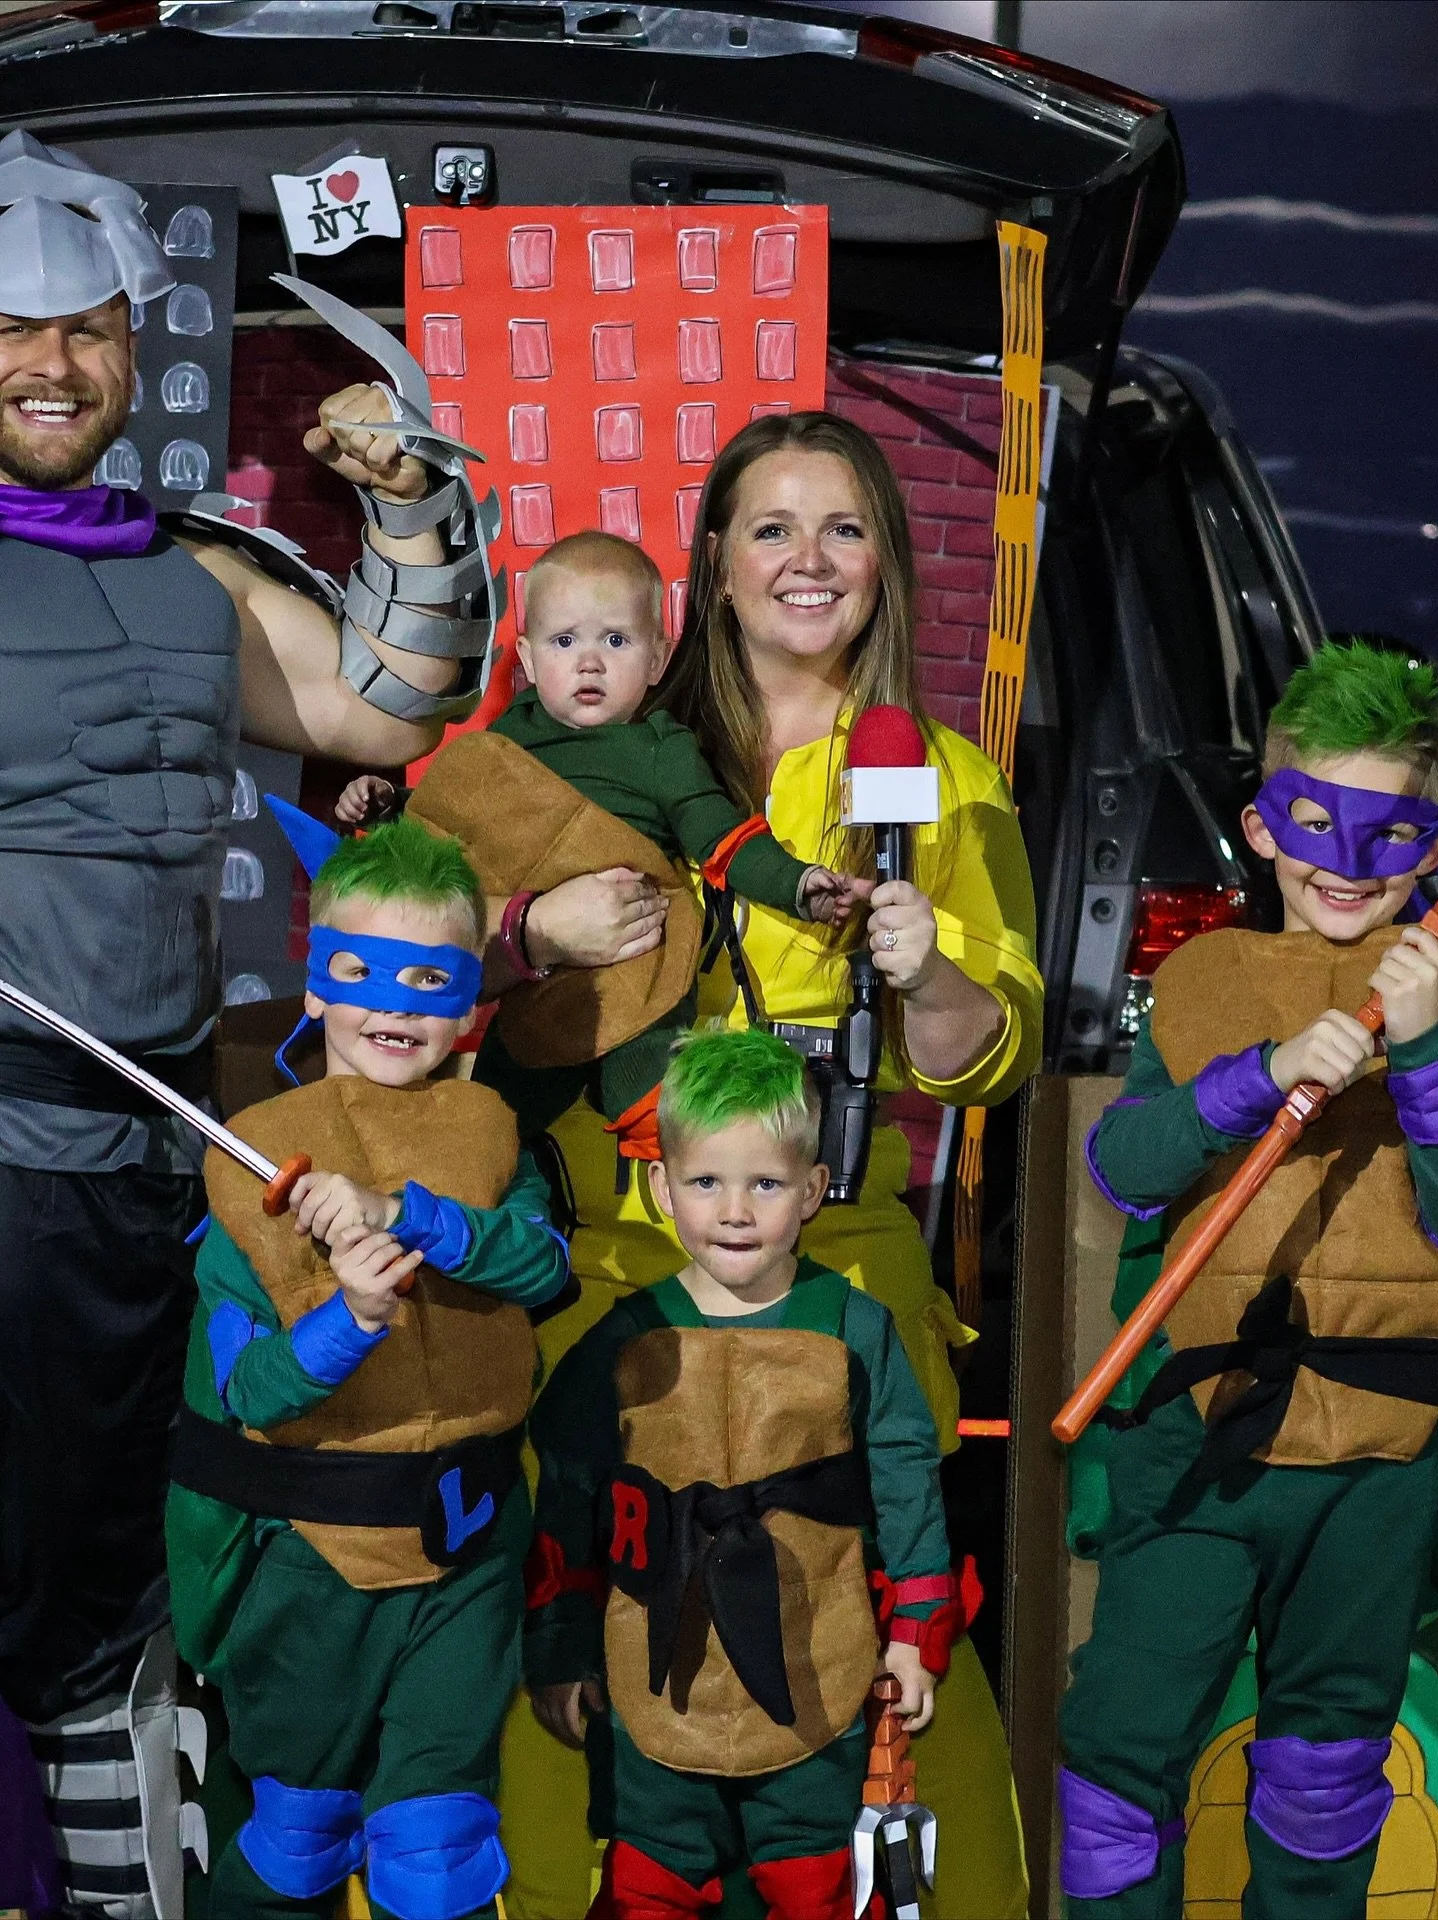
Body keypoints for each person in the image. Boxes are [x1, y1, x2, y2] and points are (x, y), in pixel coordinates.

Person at [0, 126, 528, 1917]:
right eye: (10, 327)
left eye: (83, 329)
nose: (49, 363)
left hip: (149, 1171)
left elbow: (385, 710)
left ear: (132, 346)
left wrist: (405, 504)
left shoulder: (194, 571)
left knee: (114, 1607)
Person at [497, 411, 1043, 1920]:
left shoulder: (934, 776)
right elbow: (429, 955)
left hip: (839, 1276)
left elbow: (987, 1052)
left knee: (879, 1641)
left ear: (887, 565)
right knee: (584, 1639)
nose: (810, 561)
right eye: (771, 530)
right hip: (611, 1276)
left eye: (845, 527)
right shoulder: (592, 742)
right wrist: (527, 938)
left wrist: (924, 967)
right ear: (716, 571)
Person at [1060, 640, 1438, 1918]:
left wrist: (1427, 1066)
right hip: (1203, 1434)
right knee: (1115, 1767)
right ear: (1260, 828)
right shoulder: (1202, 978)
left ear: (1433, 843)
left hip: (1388, 1454)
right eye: (1316, 821)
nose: (1347, 860)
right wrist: (1254, 1077)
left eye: (1391, 832)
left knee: (1329, 1762)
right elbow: (1122, 1171)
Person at [165, 817, 570, 1920]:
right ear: (316, 988)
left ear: (466, 1000)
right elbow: (249, 1391)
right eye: (366, 973)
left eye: (430, 979)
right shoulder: (248, 1155)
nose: (396, 1008)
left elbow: (542, 1267)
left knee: (438, 1847)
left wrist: (417, 1216)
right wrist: (349, 1315)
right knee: (295, 1835)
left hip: (469, 1550)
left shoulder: (494, 1136)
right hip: (312, 1565)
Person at [525, 1027, 955, 1920]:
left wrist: (916, 1635)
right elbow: (569, 1501)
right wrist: (561, 1651)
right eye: (706, 1182)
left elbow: (906, 1478)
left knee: (813, 1882)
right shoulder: (622, 1339)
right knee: (651, 1881)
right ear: (660, 1187)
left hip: (816, 1665)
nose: (734, 1211)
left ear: (810, 1189)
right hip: (654, 1672)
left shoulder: (856, 1327)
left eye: (764, 1183)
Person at [337, 529, 857, 1152]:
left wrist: (798, 884)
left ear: (658, 661)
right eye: (564, 641)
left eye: (615, 640)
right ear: (526, 660)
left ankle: (683, 1181)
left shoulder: (662, 750)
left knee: (668, 1114)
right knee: (486, 1131)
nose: (590, 662)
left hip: (639, 962)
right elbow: (443, 834)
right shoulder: (504, 745)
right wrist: (383, 813)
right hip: (535, 988)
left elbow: (725, 841)